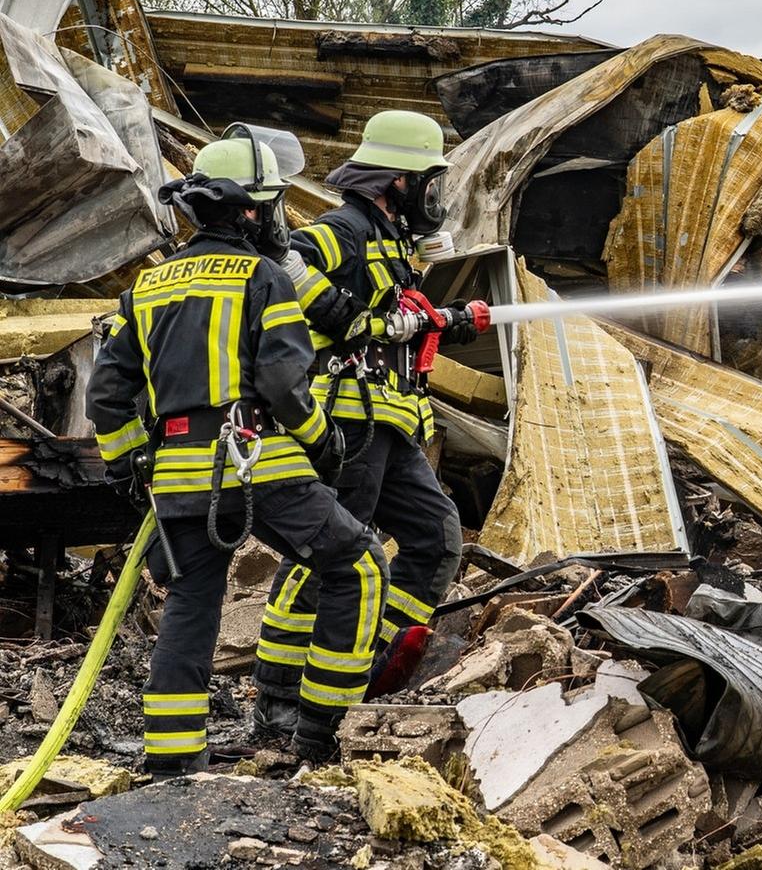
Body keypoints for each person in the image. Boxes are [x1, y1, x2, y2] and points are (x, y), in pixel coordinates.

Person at [87, 126, 386, 773]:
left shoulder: (150, 286)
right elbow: (283, 384)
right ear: (253, 209)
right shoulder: (264, 278)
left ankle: (171, 767)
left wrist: (132, 465)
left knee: (193, 605)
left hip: (177, 480)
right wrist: (324, 444)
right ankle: (321, 741)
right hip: (260, 469)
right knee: (357, 566)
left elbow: (106, 397)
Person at [252, 110, 484, 737]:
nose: (435, 196)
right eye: (428, 181)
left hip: (392, 420)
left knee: (436, 539)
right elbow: (281, 265)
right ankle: (281, 699)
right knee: (330, 556)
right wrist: (348, 314)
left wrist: (446, 318)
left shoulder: (395, 243)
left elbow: (397, 318)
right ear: (397, 181)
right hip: (350, 419)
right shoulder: (343, 228)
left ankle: (371, 658)